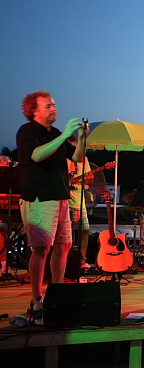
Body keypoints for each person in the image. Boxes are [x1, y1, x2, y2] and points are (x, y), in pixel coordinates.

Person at [17, 91, 86, 324]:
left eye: (54, 104)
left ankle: (57, 295)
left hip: (60, 198)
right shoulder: (27, 132)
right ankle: (37, 299)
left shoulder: (55, 133)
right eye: (48, 106)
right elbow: (37, 155)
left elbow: (76, 158)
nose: (54, 108)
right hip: (39, 198)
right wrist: (65, 135)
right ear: (34, 110)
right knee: (41, 249)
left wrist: (80, 138)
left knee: (64, 245)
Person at [67, 138, 94, 271]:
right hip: (65, 201)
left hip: (79, 201)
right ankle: (66, 260)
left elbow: (91, 177)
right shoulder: (63, 159)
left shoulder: (84, 160)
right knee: (67, 233)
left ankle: (82, 260)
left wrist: (81, 178)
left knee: (85, 230)